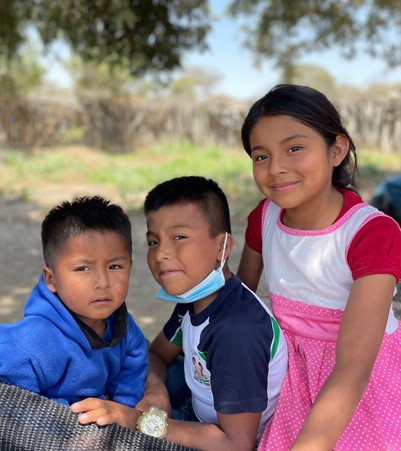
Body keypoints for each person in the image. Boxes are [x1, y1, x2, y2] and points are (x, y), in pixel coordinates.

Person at [236, 84, 401, 450]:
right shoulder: (264, 217)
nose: (276, 168)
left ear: (337, 150)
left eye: (294, 148)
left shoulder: (372, 233)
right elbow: (241, 304)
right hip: (287, 373)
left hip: (359, 383)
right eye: (260, 156)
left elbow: (353, 367)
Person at [71, 176, 288, 451]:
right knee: (114, 372)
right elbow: (158, 354)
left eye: (179, 237)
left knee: (111, 424)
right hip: (194, 408)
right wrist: (156, 392)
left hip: (222, 438)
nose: (161, 253)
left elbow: (236, 444)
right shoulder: (195, 298)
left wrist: (139, 421)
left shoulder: (236, 329)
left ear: (223, 247)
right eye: (153, 242)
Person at [0, 196, 148, 407]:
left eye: (115, 267)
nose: (102, 282)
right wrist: (69, 424)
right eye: (83, 268)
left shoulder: (124, 328)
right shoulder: (33, 345)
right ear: (51, 279)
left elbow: (130, 380)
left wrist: (123, 418)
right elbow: (12, 406)